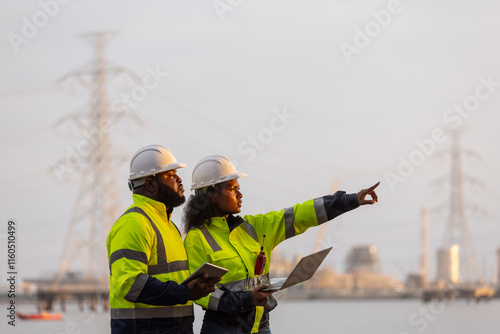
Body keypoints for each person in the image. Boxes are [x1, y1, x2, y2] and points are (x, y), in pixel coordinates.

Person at [183, 155, 380, 334]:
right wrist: (247, 299)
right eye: (232, 189)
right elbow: (201, 295)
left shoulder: (253, 227)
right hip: (223, 330)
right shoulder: (196, 239)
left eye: (239, 188)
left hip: (261, 327)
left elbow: (300, 215)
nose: (240, 194)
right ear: (211, 194)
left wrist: (349, 200)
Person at [107, 145, 220, 334]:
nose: (179, 180)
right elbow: (130, 284)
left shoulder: (167, 225)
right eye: (171, 175)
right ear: (150, 184)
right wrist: (185, 292)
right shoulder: (134, 223)